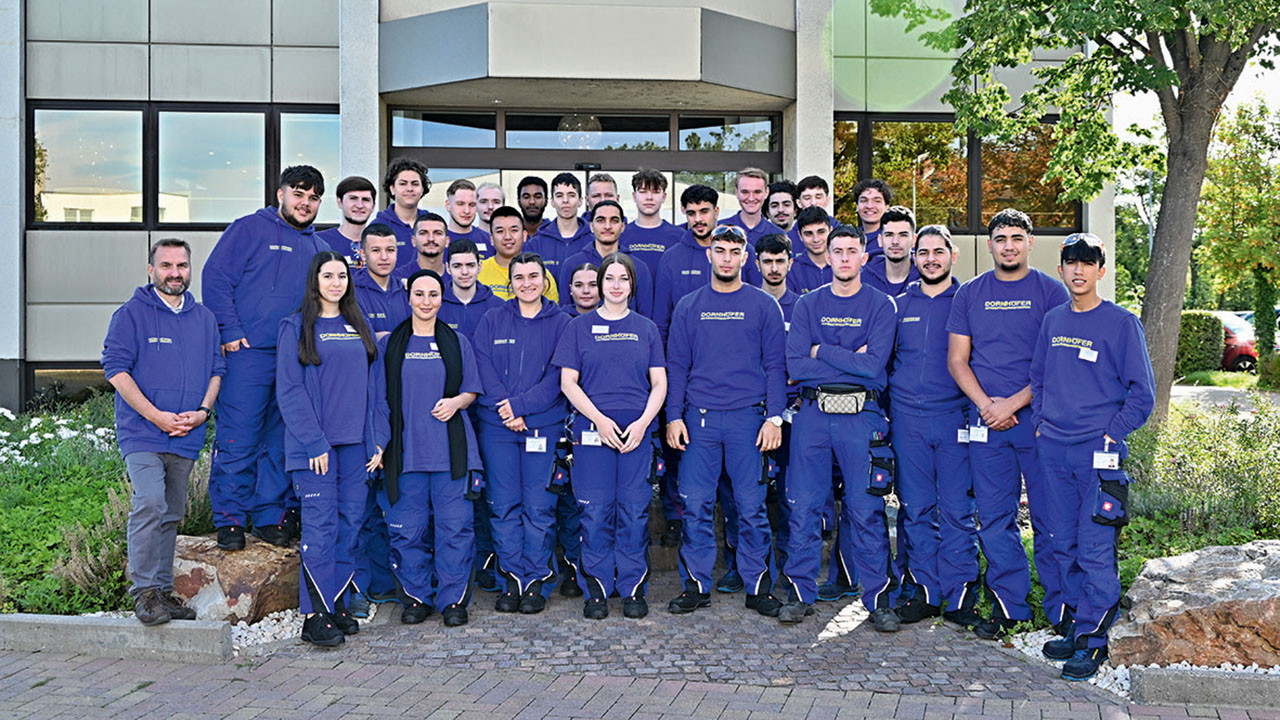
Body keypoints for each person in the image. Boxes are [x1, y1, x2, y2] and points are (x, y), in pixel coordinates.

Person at [1031, 232, 1154, 681]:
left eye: (1088, 263)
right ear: (1061, 268)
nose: (1078, 270)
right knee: (1061, 542)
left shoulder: (1122, 324)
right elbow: (1038, 377)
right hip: (1053, 451)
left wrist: (1110, 434)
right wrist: (1042, 422)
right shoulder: (1053, 321)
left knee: (1095, 547)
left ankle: (1095, 640)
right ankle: (1075, 627)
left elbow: (1143, 395)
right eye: (1071, 262)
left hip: (1098, 456)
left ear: (1101, 270)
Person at [946, 208, 1071, 639]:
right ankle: (1009, 606)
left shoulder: (1052, 293)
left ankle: (1061, 610)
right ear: (989, 245)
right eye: (1001, 239)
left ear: (1031, 242)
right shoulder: (970, 294)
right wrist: (986, 406)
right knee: (994, 519)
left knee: (1050, 519)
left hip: (1038, 424)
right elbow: (958, 360)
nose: (1009, 246)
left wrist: (1012, 404)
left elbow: (1055, 361)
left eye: (1017, 237)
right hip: (987, 424)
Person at [778, 226, 900, 632]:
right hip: (814, 415)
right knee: (805, 508)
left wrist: (822, 351)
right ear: (826, 258)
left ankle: (877, 597)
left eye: (852, 251)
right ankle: (800, 594)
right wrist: (849, 357)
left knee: (866, 511)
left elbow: (873, 367)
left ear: (865, 257)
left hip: (862, 418)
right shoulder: (809, 305)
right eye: (838, 251)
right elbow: (796, 367)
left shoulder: (881, 305)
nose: (845, 258)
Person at [202, 165, 328, 550]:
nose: (305, 204)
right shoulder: (248, 229)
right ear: (281, 194)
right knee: (240, 437)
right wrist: (232, 332)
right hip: (248, 355)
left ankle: (270, 514)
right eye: (299, 194)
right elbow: (215, 277)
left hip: (293, 360)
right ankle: (230, 518)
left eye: (313, 198)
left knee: (280, 440)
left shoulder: (317, 247)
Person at [664, 224, 787, 617]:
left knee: (751, 507)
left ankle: (757, 586)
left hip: (748, 422)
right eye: (721, 251)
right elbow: (677, 365)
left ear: (745, 257)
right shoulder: (689, 305)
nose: (727, 258)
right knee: (696, 504)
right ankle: (696, 584)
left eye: (735, 252)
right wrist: (673, 418)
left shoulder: (764, 305)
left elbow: (775, 367)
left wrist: (775, 418)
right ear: (710, 255)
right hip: (698, 420)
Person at [103, 238, 224, 626]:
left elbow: (217, 370)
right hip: (143, 433)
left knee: (171, 514)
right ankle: (143, 593)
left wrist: (204, 412)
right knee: (150, 502)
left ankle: (161, 591)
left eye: (182, 266)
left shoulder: (203, 318)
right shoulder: (131, 314)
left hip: (186, 433)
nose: (175, 273)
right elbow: (116, 372)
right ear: (151, 270)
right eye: (167, 266)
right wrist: (155, 416)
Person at [553, 253, 667, 620]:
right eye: (610, 279)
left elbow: (660, 382)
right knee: (596, 512)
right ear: (600, 285)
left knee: (633, 512)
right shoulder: (579, 327)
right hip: (592, 432)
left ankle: (633, 589)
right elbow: (567, 382)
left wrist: (644, 423)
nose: (616, 285)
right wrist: (599, 420)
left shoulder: (646, 328)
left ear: (632, 285)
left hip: (636, 433)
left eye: (623, 279)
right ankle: (598, 589)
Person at [276, 251, 380, 646]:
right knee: (320, 530)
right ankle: (314, 616)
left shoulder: (359, 325)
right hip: (315, 447)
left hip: (356, 447)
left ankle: (336, 604)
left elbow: (374, 391)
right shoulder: (296, 327)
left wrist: (376, 440)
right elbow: (289, 390)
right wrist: (314, 441)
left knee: (349, 525)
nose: (336, 283)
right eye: (328, 275)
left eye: (342, 276)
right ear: (314, 280)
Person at [370, 269, 484, 628]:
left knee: (456, 530)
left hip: (451, 454)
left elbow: (472, 390)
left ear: (442, 298)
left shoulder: (456, 341)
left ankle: (452, 601)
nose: (426, 301)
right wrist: (378, 445)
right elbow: (379, 401)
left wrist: (456, 403)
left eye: (433, 295)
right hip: (405, 454)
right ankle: (417, 597)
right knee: (407, 530)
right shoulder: (392, 344)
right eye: (419, 294)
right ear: (409, 297)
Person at [887, 225, 978, 626]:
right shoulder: (898, 305)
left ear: (952, 255)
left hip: (954, 419)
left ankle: (960, 595)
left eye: (938, 251)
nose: (930, 259)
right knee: (916, 509)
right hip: (908, 420)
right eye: (922, 252)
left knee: (957, 510)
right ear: (914, 257)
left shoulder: (967, 302)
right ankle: (925, 590)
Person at [473, 252, 573, 614]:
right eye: (520, 277)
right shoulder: (492, 318)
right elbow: (482, 365)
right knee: (502, 506)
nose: (527, 283)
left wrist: (522, 407)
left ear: (544, 279)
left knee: (539, 506)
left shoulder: (562, 322)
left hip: (541, 426)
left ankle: (537, 580)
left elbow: (558, 377)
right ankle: (511, 579)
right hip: (497, 427)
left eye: (534, 276)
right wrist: (506, 407)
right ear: (509, 282)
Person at [754, 233, 800, 578]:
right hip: (752, 409)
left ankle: (787, 562)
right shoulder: (746, 304)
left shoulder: (803, 307)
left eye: (779, 261)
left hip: (794, 412)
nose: (773, 268)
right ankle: (744, 565)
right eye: (767, 261)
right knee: (744, 494)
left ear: (790, 262)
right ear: (756, 264)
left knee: (790, 493)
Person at [561, 200, 653, 316]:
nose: (607, 226)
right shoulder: (572, 264)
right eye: (601, 220)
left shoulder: (638, 267)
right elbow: (564, 311)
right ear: (591, 226)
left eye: (614, 221)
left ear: (623, 226)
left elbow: (645, 317)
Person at [481, 206, 559, 302]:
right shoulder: (479, 272)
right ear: (492, 238)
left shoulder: (542, 275)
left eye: (514, 230)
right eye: (500, 231)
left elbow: (552, 313)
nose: (507, 237)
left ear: (524, 235)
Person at [620, 169, 683, 279]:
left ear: (664, 197)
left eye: (655, 192)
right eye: (643, 191)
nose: (649, 197)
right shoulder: (620, 234)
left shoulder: (679, 236)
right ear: (634, 196)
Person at [526, 173, 593, 276]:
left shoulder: (593, 241)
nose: (565, 200)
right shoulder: (535, 244)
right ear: (552, 202)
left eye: (571, 195)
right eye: (559, 195)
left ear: (580, 201)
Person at [440, 239, 505, 340]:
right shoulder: (436, 304)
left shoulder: (498, 306)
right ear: (448, 268)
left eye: (470, 265)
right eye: (457, 266)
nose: (464, 272)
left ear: (479, 267)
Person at [353, 224, 410, 338]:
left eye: (390, 250)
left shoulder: (406, 289)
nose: (384, 257)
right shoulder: (352, 291)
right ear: (363, 254)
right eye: (376, 250)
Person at [372, 158, 430, 267]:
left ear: (422, 189)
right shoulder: (378, 227)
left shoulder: (432, 224)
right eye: (403, 184)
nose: (409, 189)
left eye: (415, 184)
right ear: (392, 189)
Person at [317, 176, 376, 269]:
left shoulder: (381, 244)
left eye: (365, 200)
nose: (360, 205)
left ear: (373, 206)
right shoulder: (320, 242)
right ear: (339, 202)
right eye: (353, 198)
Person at [863, 206, 921, 296]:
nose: (895, 242)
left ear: (914, 240)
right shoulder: (863, 280)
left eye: (903, 235)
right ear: (880, 240)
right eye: (889, 235)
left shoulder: (926, 279)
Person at [390, 212, 450, 290]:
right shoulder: (397, 279)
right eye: (423, 233)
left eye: (437, 233)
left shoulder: (457, 278)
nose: (431, 239)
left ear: (447, 241)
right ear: (413, 241)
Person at [788, 207, 835, 295]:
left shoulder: (844, 265)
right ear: (800, 236)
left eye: (821, 232)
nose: (816, 239)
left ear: (831, 231)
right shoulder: (791, 270)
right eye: (808, 234)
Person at [444, 179, 491, 251]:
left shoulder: (489, 241)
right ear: (448, 205)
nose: (467, 211)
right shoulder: (436, 240)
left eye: (472, 205)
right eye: (460, 204)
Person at [852, 179, 892, 259]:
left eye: (877, 201)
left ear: (887, 207)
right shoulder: (849, 238)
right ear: (857, 206)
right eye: (864, 200)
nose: (869, 206)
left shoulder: (894, 240)